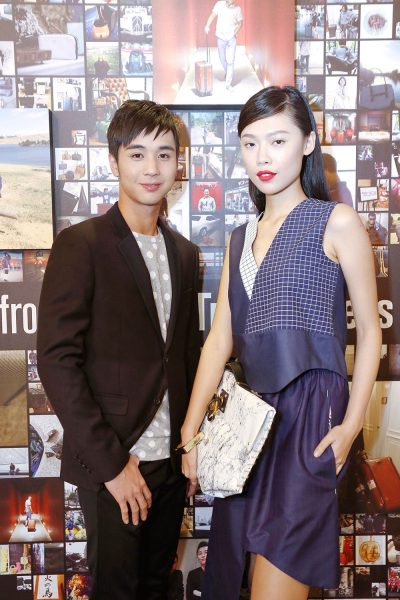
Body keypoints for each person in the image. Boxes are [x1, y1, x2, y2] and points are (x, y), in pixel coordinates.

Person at [180, 86, 381, 600]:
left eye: (277, 140)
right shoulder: (239, 238)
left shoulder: (336, 221)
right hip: (247, 425)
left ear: (308, 143)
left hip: (310, 418)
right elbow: (219, 339)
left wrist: (351, 426)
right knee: (234, 578)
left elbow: (372, 331)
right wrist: (191, 429)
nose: (262, 157)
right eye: (250, 144)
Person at [37, 99, 201, 600]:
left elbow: (185, 358)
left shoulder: (185, 253)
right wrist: (112, 465)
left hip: (171, 465)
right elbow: (57, 360)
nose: (152, 168)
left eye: (164, 154)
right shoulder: (81, 244)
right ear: (114, 161)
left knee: (156, 587)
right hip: (116, 462)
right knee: (117, 591)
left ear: (178, 163)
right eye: (137, 154)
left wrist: (190, 446)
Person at [204, 0, 243, 91]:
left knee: (230, 61)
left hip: (231, 39)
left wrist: (234, 33)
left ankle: (228, 84)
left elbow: (241, 23)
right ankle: (227, 72)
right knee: (222, 58)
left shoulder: (237, 9)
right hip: (220, 37)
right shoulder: (219, 4)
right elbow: (213, 15)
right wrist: (207, 26)